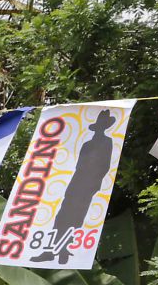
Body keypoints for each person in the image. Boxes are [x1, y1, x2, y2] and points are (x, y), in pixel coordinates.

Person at [34, 109, 120, 264]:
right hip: (76, 182)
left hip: (89, 184)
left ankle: (64, 250)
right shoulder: (87, 144)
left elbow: (105, 165)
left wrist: (93, 182)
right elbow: (79, 164)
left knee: (76, 217)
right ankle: (50, 250)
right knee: (62, 216)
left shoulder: (107, 142)